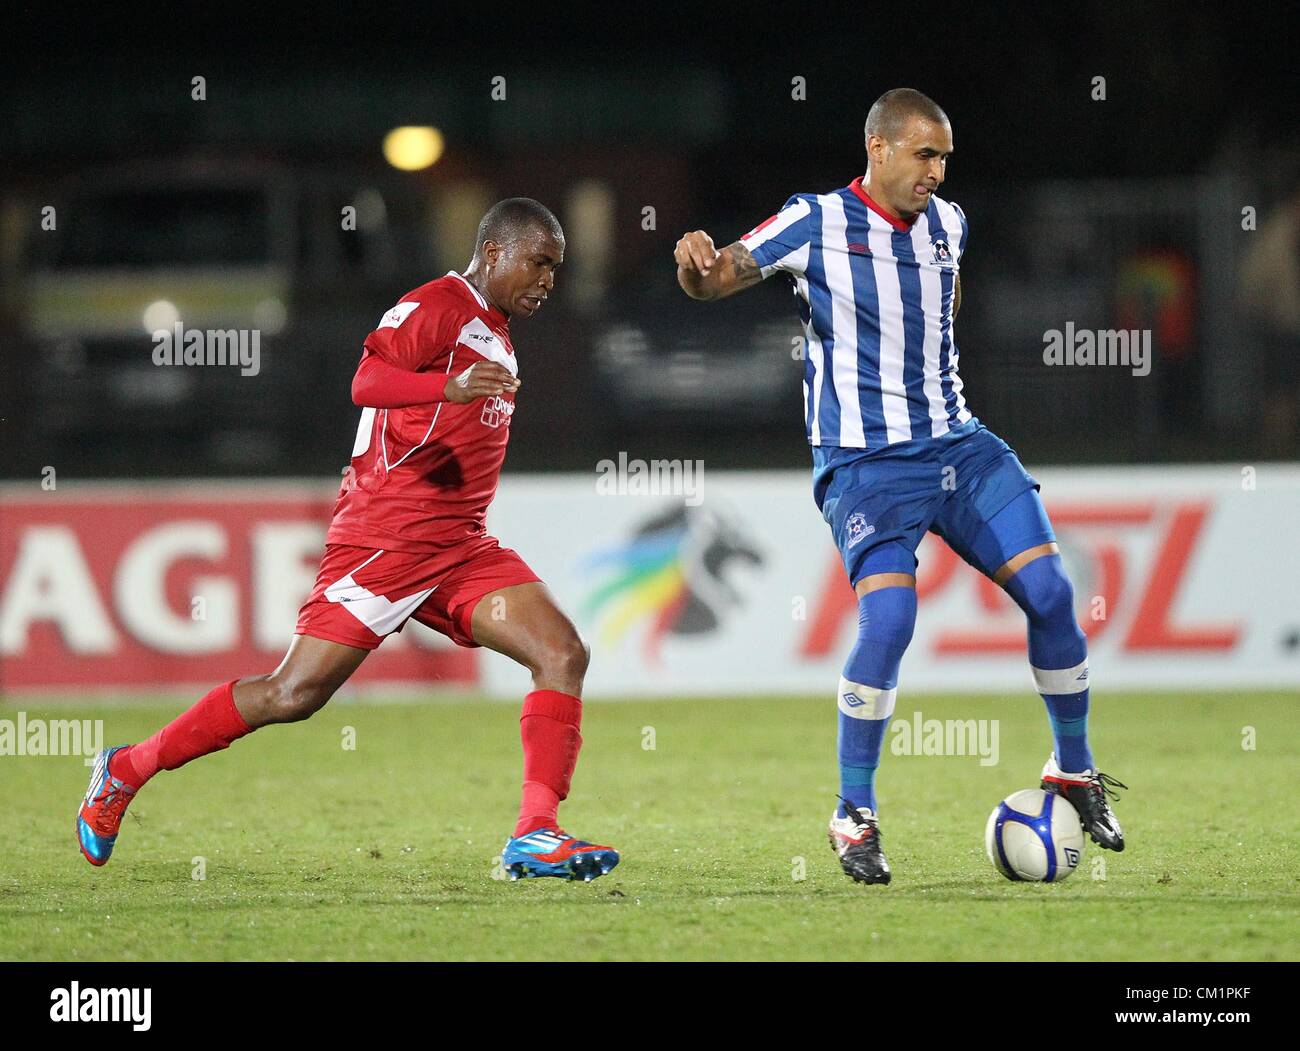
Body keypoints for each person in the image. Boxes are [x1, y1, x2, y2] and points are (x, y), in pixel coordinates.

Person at [77, 198, 620, 883]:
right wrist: (446, 388)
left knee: (562, 651)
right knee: (292, 695)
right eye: (539, 262)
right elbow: (366, 379)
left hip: (459, 547)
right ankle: (124, 769)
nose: (548, 279)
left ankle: (535, 833)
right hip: (385, 543)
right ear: (493, 253)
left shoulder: (497, 331)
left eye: (556, 268)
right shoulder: (438, 305)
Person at [674, 89, 1125, 885]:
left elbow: (937, 312)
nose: (937, 172)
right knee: (889, 619)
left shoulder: (949, 225)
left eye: (945, 157)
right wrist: (697, 272)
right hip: (867, 466)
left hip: (961, 446)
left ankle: (1073, 770)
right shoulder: (813, 220)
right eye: (924, 154)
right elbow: (717, 280)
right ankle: (853, 812)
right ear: (878, 149)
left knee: (1054, 593)